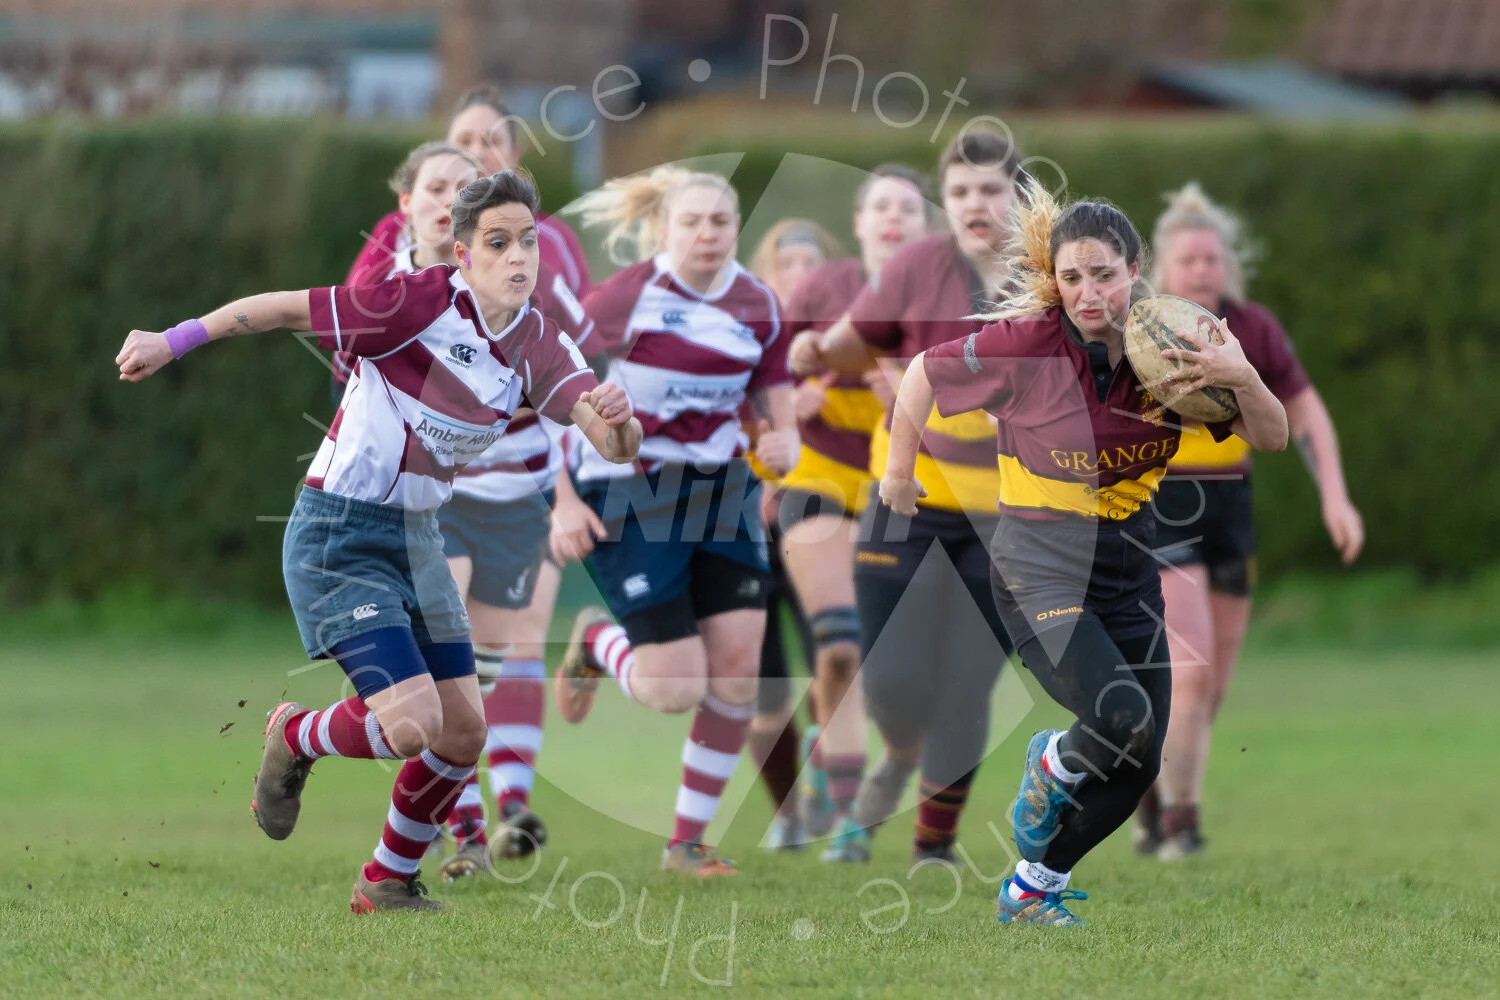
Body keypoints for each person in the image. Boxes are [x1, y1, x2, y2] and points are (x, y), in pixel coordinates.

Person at [115, 169, 641, 912]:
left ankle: (387, 880)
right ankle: (295, 735)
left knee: (462, 734)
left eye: (527, 240)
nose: (519, 257)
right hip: (338, 534)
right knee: (412, 726)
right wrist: (174, 339)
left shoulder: (537, 341)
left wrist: (617, 419)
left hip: (418, 540)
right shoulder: (419, 301)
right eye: (498, 243)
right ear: (462, 254)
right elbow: (277, 311)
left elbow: (611, 441)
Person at [881, 181, 1288, 926]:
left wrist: (1240, 377)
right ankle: (1054, 762)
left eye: (1103, 273)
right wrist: (899, 471)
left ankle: (1032, 888)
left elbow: (1272, 435)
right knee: (1119, 718)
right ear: (1055, 278)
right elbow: (922, 375)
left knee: (1139, 766)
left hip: (1129, 572)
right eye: (1072, 276)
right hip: (1037, 568)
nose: (1087, 292)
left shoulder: (1177, 349)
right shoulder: (1026, 342)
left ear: (1135, 267)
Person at [547, 165, 799, 876]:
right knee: (672, 688)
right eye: (691, 222)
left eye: (720, 222)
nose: (707, 234)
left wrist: (785, 443)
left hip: (722, 492)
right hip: (626, 489)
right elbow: (547, 389)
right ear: (663, 229)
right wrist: (560, 500)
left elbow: (776, 396)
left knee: (738, 674)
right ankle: (600, 644)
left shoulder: (758, 303)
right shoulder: (625, 300)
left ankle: (687, 843)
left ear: (736, 230)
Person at [789, 129, 1020, 863]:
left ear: (1018, 196)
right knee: (891, 680)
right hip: (905, 497)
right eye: (959, 192)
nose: (974, 204)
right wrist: (817, 351)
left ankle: (934, 844)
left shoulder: (1051, 274)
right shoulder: (919, 264)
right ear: (943, 202)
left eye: (990, 190)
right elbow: (857, 340)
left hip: (1011, 514)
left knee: (967, 684)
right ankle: (898, 754)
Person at [1134, 182, 1365, 859]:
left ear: (1227, 265)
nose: (1202, 271)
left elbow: (1307, 414)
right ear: (1163, 272)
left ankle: (1156, 793)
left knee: (1214, 688)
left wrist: (1334, 495)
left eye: (1211, 259)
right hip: (1164, 505)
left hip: (1230, 509)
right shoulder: (1142, 330)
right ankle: (1181, 823)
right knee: (1192, 672)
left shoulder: (1251, 328)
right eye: (1188, 261)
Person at [758, 170, 931, 860]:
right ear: (859, 222)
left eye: (908, 207)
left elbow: (987, 405)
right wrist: (788, 403)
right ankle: (845, 814)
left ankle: (867, 788)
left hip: (907, 490)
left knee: (896, 677)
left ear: (925, 226)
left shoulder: (948, 298)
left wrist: (917, 398)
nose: (893, 217)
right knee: (838, 643)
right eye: (881, 205)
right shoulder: (823, 288)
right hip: (818, 477)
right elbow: (768, 370)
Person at [333, 84, 593, 401]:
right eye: (463, 141)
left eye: (492, 142)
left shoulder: (554, 240)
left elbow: (586, 350)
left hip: (524, 431)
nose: (476, 153)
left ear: (514, 153)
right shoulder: (396, 231)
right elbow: (348, 347)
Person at [741, 218, 841, 852]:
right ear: (767, 277)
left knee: (835, 664)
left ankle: (824, 784)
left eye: (811, 263)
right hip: (744, 534)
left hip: (821, 530)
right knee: (764, 695)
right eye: (787, 263)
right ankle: (787, 815)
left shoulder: (846, 354)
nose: (799, 274)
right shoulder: (741, 347)